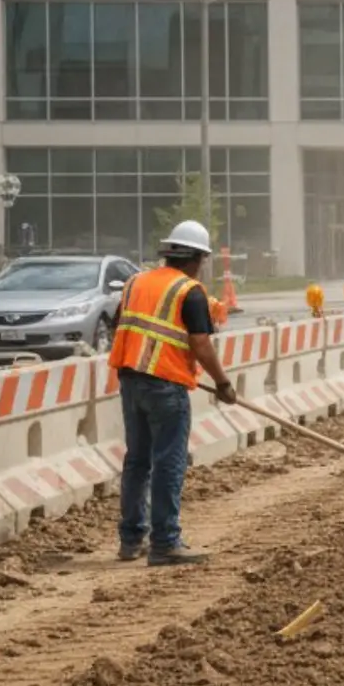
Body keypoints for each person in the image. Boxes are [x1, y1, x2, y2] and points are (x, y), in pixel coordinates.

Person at [108, 220, 238, 566]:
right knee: (168, 461)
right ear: (196, 258)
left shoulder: (135, 282)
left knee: (137, 460)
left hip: (131, 379)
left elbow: (119, 325)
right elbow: (200, 344)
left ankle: (131, 539)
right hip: (165, 385)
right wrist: (223, 383)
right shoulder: (189, 291)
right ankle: (165, 542)